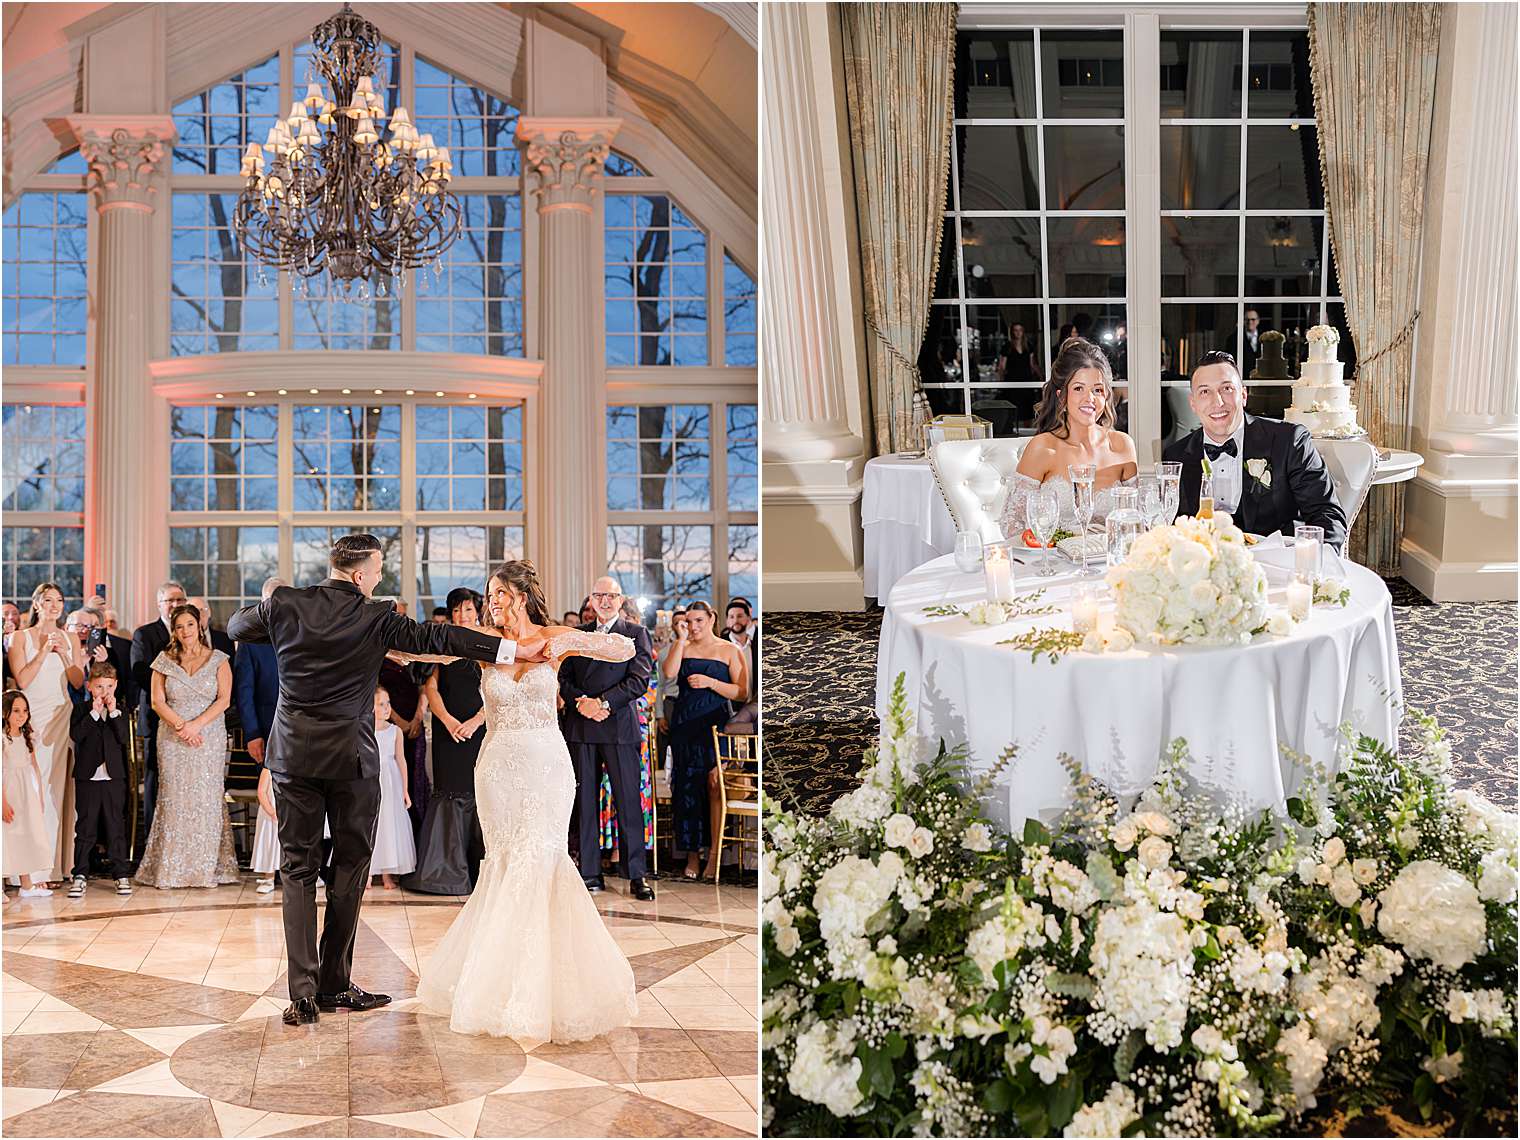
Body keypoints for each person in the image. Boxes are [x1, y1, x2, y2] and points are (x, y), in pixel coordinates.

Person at [225, 533, 544, 1027]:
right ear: (359, 574)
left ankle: (304, 994)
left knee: (297, 872)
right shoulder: (375, 617)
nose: (378, 579)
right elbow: (440, 639)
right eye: (376, 571)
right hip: (351, 762)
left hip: (293, 758)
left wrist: (278, 618)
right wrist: (510, 651)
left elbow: (235, 625)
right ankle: (334, 983)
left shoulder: (284, 603)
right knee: (350, 871)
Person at [405, 559, 638, 1041]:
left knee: (542, 858)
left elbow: (623, 647)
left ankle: (547, 990)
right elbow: (423, 656)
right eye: (489, 595)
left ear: (523, 596)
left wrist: (558, 643)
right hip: (497, 768)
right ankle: (498, 983)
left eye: (499, 594)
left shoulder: (553, 638)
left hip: (547, 766)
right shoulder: (482, 645)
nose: (491, 602)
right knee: (506, 862)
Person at [1164, 350, 1348, 548]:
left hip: (1275, 566)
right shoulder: (1176, 456)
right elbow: (1172, 529)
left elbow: (1327, 516)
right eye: (1205, 392)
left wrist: (1311, 564)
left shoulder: (1289, 441)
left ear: (1243, 395)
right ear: (1193, 403)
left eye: (1226, 389)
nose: (1217, 402)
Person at [559, 576, 655, 900]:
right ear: (590, 598)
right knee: (584, 803)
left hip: (619, 727)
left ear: (621, 599)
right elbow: (564, 677)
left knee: (627, 802)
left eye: (610, 596)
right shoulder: (577, 635)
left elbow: (639, 680)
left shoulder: (637, 633)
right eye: (599, 595)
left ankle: (636, 876)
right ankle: (590, 872)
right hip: (581, 727)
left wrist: (602, 704)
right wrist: (582, 703)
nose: (604, 601)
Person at [134, 603, 240, 890]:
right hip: (172, 737)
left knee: (206, 798)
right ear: (174, 630)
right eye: (179, 626)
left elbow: (224, 699)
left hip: (209, 737)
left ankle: (203, 870)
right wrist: (182, 727)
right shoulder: (163, 660)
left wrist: (197, 726)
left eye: (189, 625)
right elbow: (157, 701)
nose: (185, 631)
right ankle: (171, 869)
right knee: (175, 798)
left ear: (199, 625)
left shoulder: (219, 659)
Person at [998, 337, 1139, 538]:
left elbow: (1135, 517)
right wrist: (1064, 541)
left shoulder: (1122, 445)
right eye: (1078, 388)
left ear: (1106, 396)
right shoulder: (1043, 448)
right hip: (1055, 564)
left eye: (1097, 390)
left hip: (1108, 562)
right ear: (1062, 396)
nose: (1089, 398)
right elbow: (1011, 525)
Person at [662, 600, 749, 882]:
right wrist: (681, 638)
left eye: (699, 620)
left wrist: (712, 683)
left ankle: (714, 855)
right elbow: (668, 673)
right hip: (685, 726)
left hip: (715, 725)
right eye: (689, 621)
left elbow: (741, 693)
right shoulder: (683, 647)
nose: (694, 626)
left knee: (713, 788)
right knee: (686, 790)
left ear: (711, 619)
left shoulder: (729, 650)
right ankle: (690, 856)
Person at [409, 587, 489, 895]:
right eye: (456, 610)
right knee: (450, 791)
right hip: (448, 730)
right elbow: (431, 687)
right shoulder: (443, 641)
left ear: (478, 611)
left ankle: (479, 872)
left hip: (481, 728)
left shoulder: (488, 642)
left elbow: (500, 690)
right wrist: (449, 721)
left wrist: (475, 721)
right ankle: (446, 874)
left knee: (479, 792)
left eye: (468, 610)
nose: (462, 616)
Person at [8, 582, 86, 883]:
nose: (54, 605)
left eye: (59, 600)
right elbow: (23, 681)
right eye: (48, 600)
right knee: (29, 789)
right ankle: (21, 871)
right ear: (37, 604)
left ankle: (49, 867)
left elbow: (78, 682)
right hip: (30, 719)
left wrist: (67, 653)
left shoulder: (70, 638)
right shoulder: (19, 637)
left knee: (54, 792)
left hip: (60, 716)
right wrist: (43, 651)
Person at [66, 662, 133, 898]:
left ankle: (121, 874)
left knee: (115, 826)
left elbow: (123, 737)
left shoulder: (120, 711)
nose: (103, 692)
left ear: (115, 686)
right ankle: (80, 874)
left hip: (114, 778)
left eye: (108, 686)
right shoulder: (82, 710)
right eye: (98, 687)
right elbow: (76, 735)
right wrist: (94, 713)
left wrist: (113, 712)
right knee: (85, 827)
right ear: (89, 687)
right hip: (88, 778)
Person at [131, 580, 190, 839]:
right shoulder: (145, 634)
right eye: (170, 601)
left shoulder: (193, 633)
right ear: (160, 605)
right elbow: (140, 672)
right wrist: (175, 690)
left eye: (180, 600)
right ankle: (153, 842)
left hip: (189, 718)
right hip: (156, 718)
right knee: (155, 780)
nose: (175, 605)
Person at [3, 690, 58, 898]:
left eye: (25, 710)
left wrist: (39, 796)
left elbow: (34, 766)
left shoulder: (28, 736)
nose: (21, 715)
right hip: (8, 792)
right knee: (7, 837)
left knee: (26, 835)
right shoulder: (2, 738)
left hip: (26, 794)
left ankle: (27, 885)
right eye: (16, 711)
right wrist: (3, 802)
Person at [235, 579, 284, 770]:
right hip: (266, 731)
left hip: (303, 732)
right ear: (263, 603)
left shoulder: (305, 633)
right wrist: (253, 734)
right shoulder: (249, 641)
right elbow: (244, 692)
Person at [369, 685, 415, 889]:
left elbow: (401, 760)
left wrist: (405, 789)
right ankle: (367, 872)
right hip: (371, 779)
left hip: (390, 781)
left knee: (388, 823)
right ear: (371, 708)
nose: (387, 708)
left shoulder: (395, 731)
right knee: (370, 824)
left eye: (388, 703)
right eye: (381, 704)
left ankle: (387, 873)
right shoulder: (364, 729)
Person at [724, 598, 760, 733]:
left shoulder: (756, 644)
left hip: (755, 708)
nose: (735, 620)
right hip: (731, 710)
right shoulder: (722, 645)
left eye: (740, 616)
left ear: (748, 618)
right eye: (731, 617)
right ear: (727, 620)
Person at [251, 767, 280, 894]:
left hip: (288, 813)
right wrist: (271, 811)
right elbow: (261, 792)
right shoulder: (268, 770)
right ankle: (269, 877)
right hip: (270, 815)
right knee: (269, 844)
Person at [188, 596, 237, 662]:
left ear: (209, 612)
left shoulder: (226, 639)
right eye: (194, 611)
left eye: (202, 610)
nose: (199, 614)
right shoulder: (181, 640)